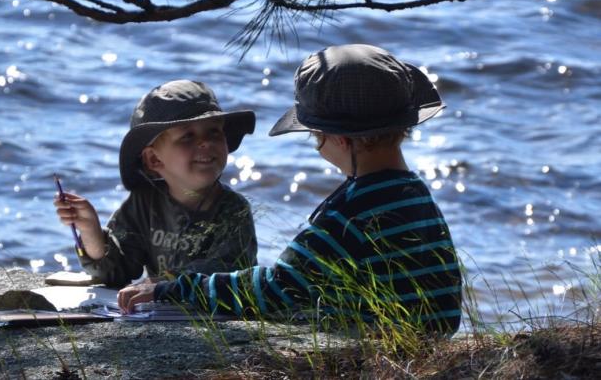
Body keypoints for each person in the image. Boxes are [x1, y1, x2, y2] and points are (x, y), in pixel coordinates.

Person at [117, 44, 463, 335]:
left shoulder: (350, 210)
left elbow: (278, 288)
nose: (317, 147)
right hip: (422, 340)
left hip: (372, 348)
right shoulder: (413, 192)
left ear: (339, 140)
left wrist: (173, 290)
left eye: (316, 138)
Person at [54, 80, 258, 288]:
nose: (205, 142)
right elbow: (116, 270)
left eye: (214, 132)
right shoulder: (144, 204)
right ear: (154, 160)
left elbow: (225, 272)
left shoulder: (233, 210)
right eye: (188, 136)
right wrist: (90, 230)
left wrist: (162, 284)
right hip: (163, 312)